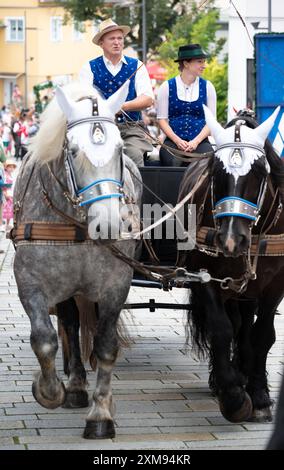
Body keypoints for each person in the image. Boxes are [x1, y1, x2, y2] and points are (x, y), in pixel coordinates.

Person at [79, 18, 154, 167]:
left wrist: (121, 106)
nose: (117, 42)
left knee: (133, 156)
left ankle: (135, 191)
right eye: (112, 38)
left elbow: (148, 99)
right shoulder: (89, 67)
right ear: (101, 43)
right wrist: (106, 110)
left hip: (131, 128)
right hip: (98, 128)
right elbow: (84, 101)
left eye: (120, 38)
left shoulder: (137, 65)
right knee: (88, 160)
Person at [157, 44, 217, 166]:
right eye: (200, 62)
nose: (204, 65)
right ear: (186, 64)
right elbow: (162, 120)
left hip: (200, 141)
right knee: (171, 162)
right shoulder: (167, 87)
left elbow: (211, 121)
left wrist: (196, 142)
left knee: (207, 162)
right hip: (173, 141)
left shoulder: (208, 87)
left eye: (204, 61)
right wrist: (177, 140)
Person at [2, 159, 16, 231]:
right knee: (5, 208)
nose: (11, 168)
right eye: (9, 167)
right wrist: (5, 193)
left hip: (10, 192)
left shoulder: (10, 175)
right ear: (6, 168)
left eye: (12, 167)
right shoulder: (5, 175)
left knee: (9, 209)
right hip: (7, 192)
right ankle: (3, 224)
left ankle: (7, 224)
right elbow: (3, 185)